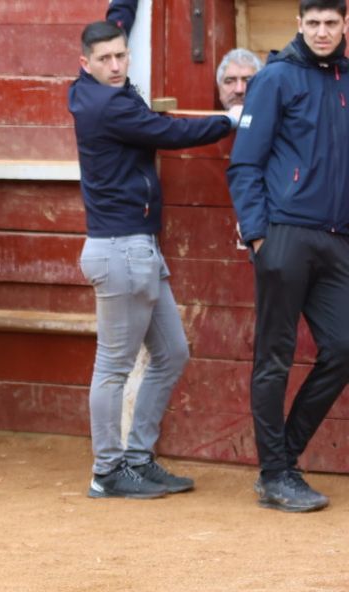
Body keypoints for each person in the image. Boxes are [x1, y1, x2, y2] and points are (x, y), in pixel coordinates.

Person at [71, 9, 236, 499]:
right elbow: (172, 134)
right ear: (86, 63)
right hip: (122, 249)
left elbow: (114, 20)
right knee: (114, 367)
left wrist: (124, 10)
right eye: (106, 59)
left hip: (136, 245)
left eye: (121, 55)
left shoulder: (86, 90)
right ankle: (107, 471)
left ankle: (138, 458)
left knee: (171, 353)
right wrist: (232, 121)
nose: (118, 65)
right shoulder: (110, 108)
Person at [227, 0, 349, 512]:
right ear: (299, 25)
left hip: (337, 238)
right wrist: (259, 237)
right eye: (314, 23)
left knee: (343, 347)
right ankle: (275, 474)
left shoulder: (345, 79)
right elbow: (245, 163)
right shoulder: (276, 78)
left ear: (346, 24)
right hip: (284, 236)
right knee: (274, 359)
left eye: (333, 23)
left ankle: (286, 456)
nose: (323, 32)